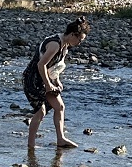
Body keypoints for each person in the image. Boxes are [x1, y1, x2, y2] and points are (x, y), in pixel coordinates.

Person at [23, 16, 90, 150]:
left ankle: (61, 139)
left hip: (46, 78)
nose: (79, 43)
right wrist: (48, 85)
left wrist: (57, 82)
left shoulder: (65, 46)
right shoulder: (55, 44)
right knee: (40, 112)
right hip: (33, 79)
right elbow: (41, 65)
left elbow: (55, 67)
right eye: (79, 40)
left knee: (59, 107)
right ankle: (31, 146)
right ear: (72, 34)